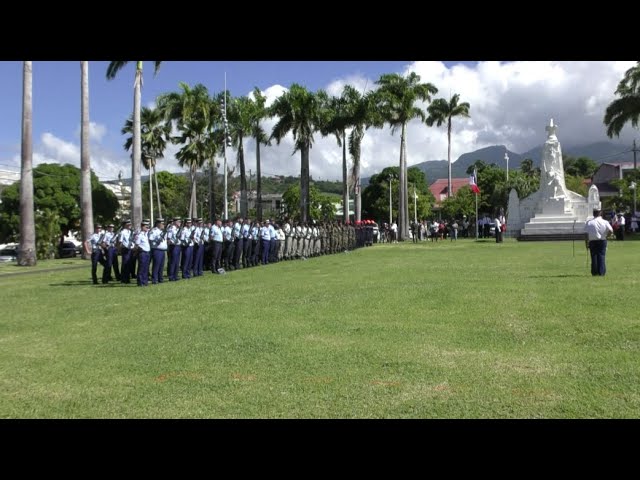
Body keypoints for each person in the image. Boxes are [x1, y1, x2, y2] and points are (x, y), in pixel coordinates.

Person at [585, 208, 614, 277]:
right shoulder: (605, 222)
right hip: (602, 240)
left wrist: (586, 243)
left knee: (594, 256)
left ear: (593, 213)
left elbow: (586, 234)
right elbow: (611, 230)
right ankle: (601, 272)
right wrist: (607, 236)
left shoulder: (589, 222)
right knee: (601, 256)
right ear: (600, 213)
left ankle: (594, 272)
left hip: (592, 241)